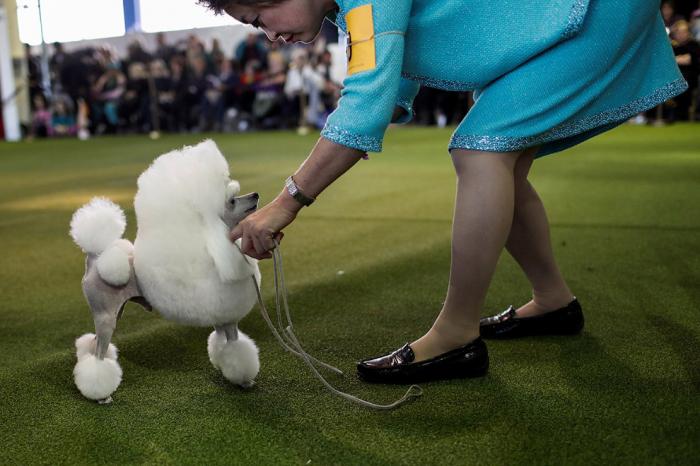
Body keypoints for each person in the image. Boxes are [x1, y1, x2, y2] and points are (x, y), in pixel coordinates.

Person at [198, 0, 687, 384]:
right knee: (498, 160)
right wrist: (356, 125)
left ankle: (456, 334)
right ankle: (553, 301)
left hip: (594, 8)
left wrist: (287, 204)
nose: (270, 34)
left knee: (481, 153)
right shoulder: (348, 14)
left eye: (260, 16)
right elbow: (386, 94)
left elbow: (367, 103)